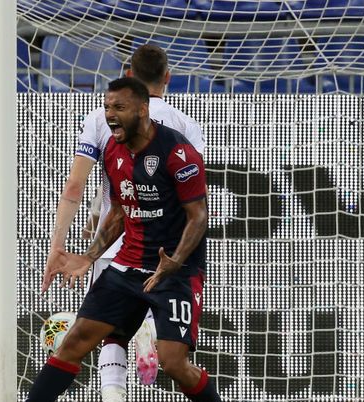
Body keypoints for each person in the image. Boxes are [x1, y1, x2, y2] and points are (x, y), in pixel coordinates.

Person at [29, 77, 220, 402]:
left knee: (173, 363)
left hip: (176, 274)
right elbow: (118, 211)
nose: (109, 115)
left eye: (119, 107)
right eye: (106, 107)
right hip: (128, 266)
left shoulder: (178, 153)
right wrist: (89, 256)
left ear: (143, 110)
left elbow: (198, 217)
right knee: (74, 342)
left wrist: (174, 262)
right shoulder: (114, 150)